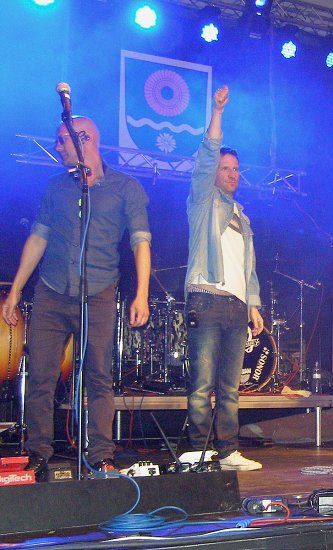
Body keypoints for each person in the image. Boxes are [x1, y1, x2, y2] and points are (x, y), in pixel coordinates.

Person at [1, 116, 151, 476]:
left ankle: (100, 454)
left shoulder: (126, 188)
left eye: (62, 140)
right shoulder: (56, 187)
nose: (57, 147)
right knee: (41, 375)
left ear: (84, 139)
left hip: (97, 294)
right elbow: (39, 237)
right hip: (51, 292)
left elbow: (140, 242)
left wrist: (142, 293)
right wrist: (16, 290)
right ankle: (39, 452)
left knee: (98, 377)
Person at [184, 85, 264, 471]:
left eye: (235, 169)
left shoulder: (243, 216)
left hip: (236, 305)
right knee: (202, 383)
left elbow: (249, 267)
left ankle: (229, 450)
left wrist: (254, 305)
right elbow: (206, 156)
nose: (232, 174)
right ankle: (196, 450)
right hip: (206, 299)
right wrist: (217, 112)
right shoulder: (203, 201)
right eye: (225, 168)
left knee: (230, 386)